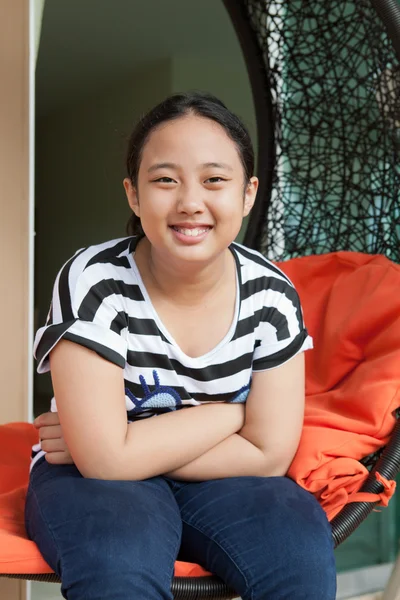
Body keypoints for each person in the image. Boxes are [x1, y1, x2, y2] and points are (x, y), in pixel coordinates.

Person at [25, 92, 336, 599]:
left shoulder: (272, 293)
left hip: (226, 476)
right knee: (117, 564)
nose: (191, 201)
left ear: (249, 193)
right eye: (165, 180)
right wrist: (233, 416)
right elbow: (105, 464)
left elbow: (270, 455)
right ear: (133, 194)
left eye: (215, 180)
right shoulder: (94, 279)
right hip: (95, 483)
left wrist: (125, 443)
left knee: (298, 557)